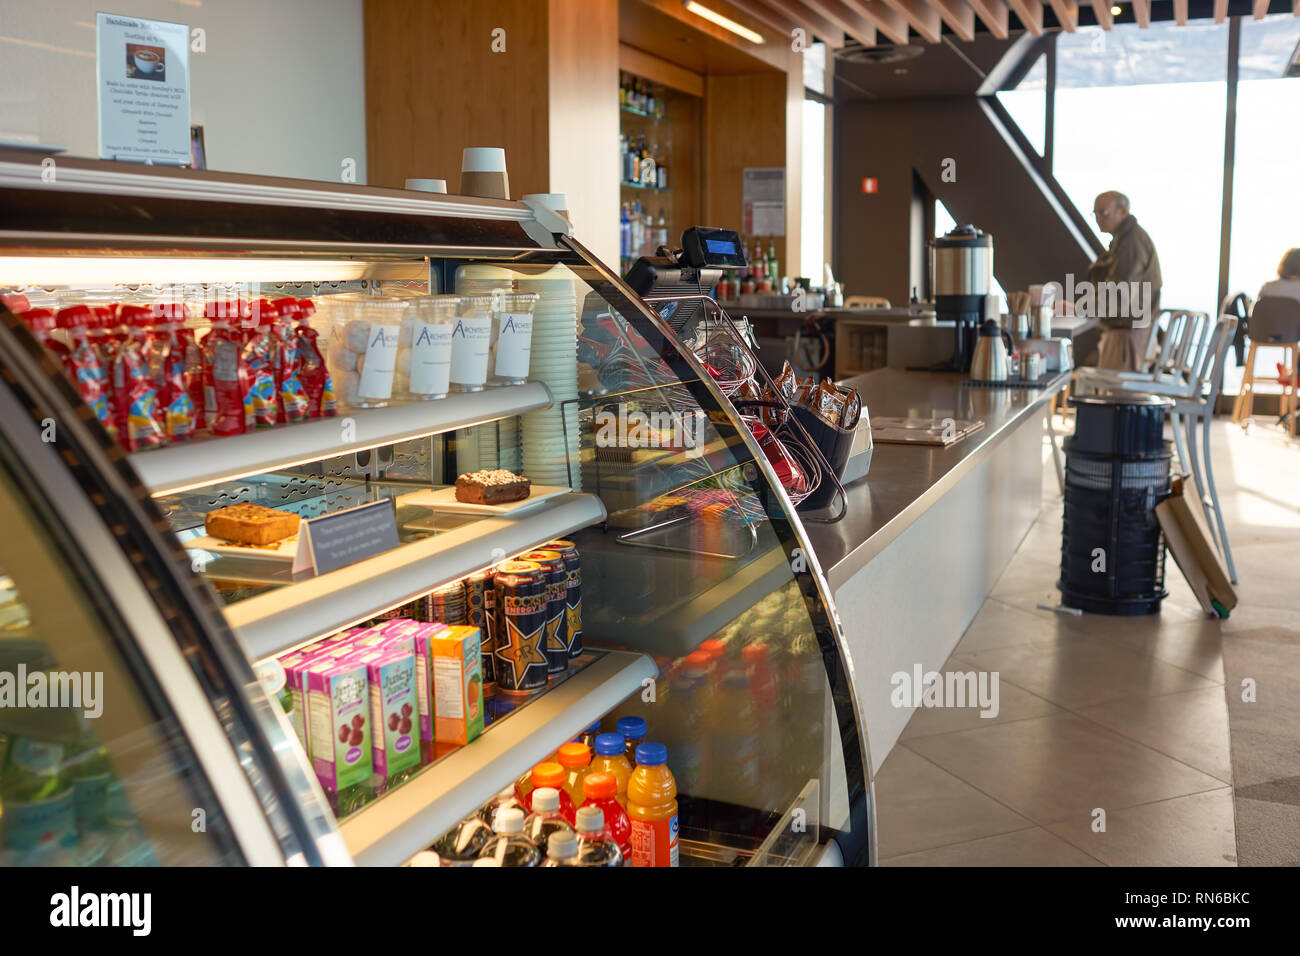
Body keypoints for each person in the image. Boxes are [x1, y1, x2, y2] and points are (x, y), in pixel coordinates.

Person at [1088, 191, 1162, 370]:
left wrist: (1078, 309)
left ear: (1123, 211)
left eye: (1103, 213)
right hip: (1131, 334)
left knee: (1116, 398)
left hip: (1128, 337)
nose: (1098, 219)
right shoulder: (1124, 240)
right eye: (1095, 214)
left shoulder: (1131, 243)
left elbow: (1119, 297)